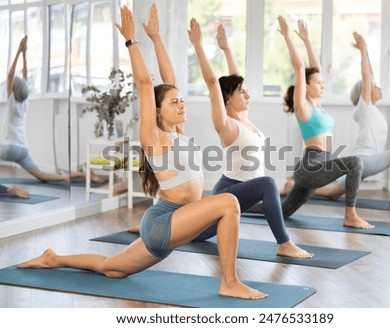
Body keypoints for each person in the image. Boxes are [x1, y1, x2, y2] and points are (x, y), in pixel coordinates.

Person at [18, 5, 268, 301]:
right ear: (157, 112)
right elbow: (146, 83)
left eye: (181, 100)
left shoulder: (180, 134)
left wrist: (158, 38)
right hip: (165, 224)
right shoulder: (154, 138)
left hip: (179, 223)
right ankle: (229, 282)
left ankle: (54, 258)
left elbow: (168, 78)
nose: (181, 105)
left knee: (113, 268)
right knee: (229, 202)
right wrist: (132, 41)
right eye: (173, 103)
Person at [188, 19, 313, 259]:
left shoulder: (244, 118)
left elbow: (235, 77)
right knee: (195, 233)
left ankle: (167, 227)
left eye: (246, 90)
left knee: (199, 231)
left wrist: (226, 49)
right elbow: (214, 83)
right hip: (229, 190)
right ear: (227, 99)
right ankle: (284, 243)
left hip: (240, 190)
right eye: (242, 92)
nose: (248, 94)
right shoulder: (225, 125)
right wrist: (198, 46)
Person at [277, 16, 374, 229]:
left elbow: (315, 67)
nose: (322, 86)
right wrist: (286, 36)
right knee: (355, 162)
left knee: (282, 212)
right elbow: (300, 66)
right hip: (312, 166)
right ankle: (350, 215)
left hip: (318, 166)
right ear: (306, 86)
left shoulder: (318, 104)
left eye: (322, 83)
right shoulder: (303, 107)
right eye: (318, 83)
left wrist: (307, 40)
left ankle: (239, 205)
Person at [313, 32, 390, 209]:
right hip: (364, 161)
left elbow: (369, 75)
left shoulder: (371, 110)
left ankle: (292, 187)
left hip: (360, 163)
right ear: (366, 91)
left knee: (331, 193)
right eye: (374, 86)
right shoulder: (364, 108)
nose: (378, 87)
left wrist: (366, 51)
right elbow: (366, 75)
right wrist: (363, 50)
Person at [0, 36, 70, 184]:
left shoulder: (12, 101)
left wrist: (19, 51)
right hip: (23, 150)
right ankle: (64, 177)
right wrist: (25, 55)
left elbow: (10, 76)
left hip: (10, 149)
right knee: (42, 176)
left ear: (12, 89)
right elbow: (24, 77)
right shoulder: (25, 102)